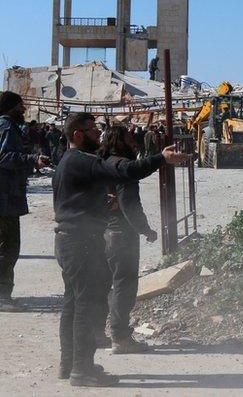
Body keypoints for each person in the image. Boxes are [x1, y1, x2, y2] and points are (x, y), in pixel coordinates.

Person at [53, 112, 187, 387]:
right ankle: (82, 371)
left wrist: (101, 205)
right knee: (87, 307)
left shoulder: (67, 162)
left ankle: (69, 365)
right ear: (77, 134)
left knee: (73, 303)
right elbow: (126, 171)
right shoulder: (83, 161)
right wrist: (161, 158)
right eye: (91, 130)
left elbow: (73, 202)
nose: (97, 134)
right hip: (81, 244)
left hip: (70, 240)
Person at [96, 126, 157, 354]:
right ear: (119, 140)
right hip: (121, 235)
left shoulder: (102, 161)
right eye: (129, 137)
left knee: (106, 284)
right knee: (125, 286)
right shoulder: (123, 167)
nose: (133, 141)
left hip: (103, 233)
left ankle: (97, 332)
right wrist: (146, 230)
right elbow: (130, 205)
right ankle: (120, 338)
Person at [0, 92, 50, 311]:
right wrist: (32, 160)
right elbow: (4, 157)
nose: (24, 109)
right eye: (21, 105)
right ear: (11, 107)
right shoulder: (6, 125)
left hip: (7, 195)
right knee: (8, 247)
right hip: (4, 197)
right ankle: (2, 297)